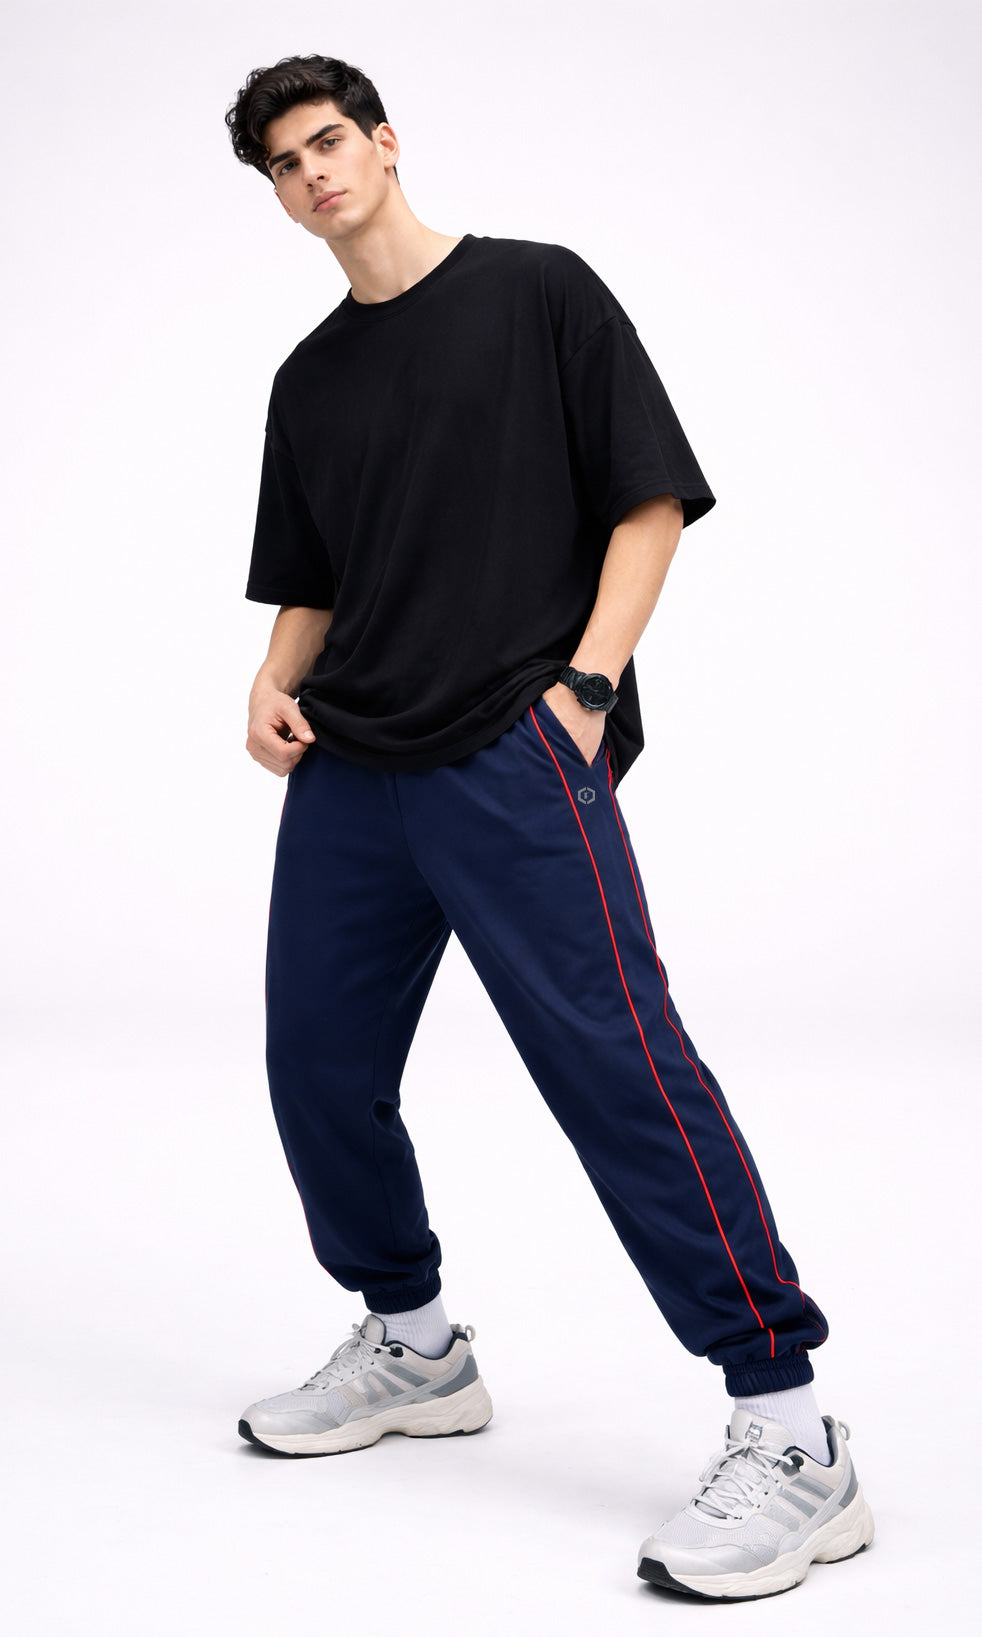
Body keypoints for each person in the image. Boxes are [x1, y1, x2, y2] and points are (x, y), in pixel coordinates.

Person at [224, 54, 874, 1600]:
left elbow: (644, 503)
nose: (314, 174)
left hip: (510, 751)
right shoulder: (309, 381)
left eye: (329, 141)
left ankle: (792, 1430)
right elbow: (312, 575)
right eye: (284, 164)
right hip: (351, 764)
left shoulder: (537, 294)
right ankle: (413, 1344)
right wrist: (267, 679)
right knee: (314, 1062)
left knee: (616, 1067)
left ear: (385, 142)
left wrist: (584, 687)